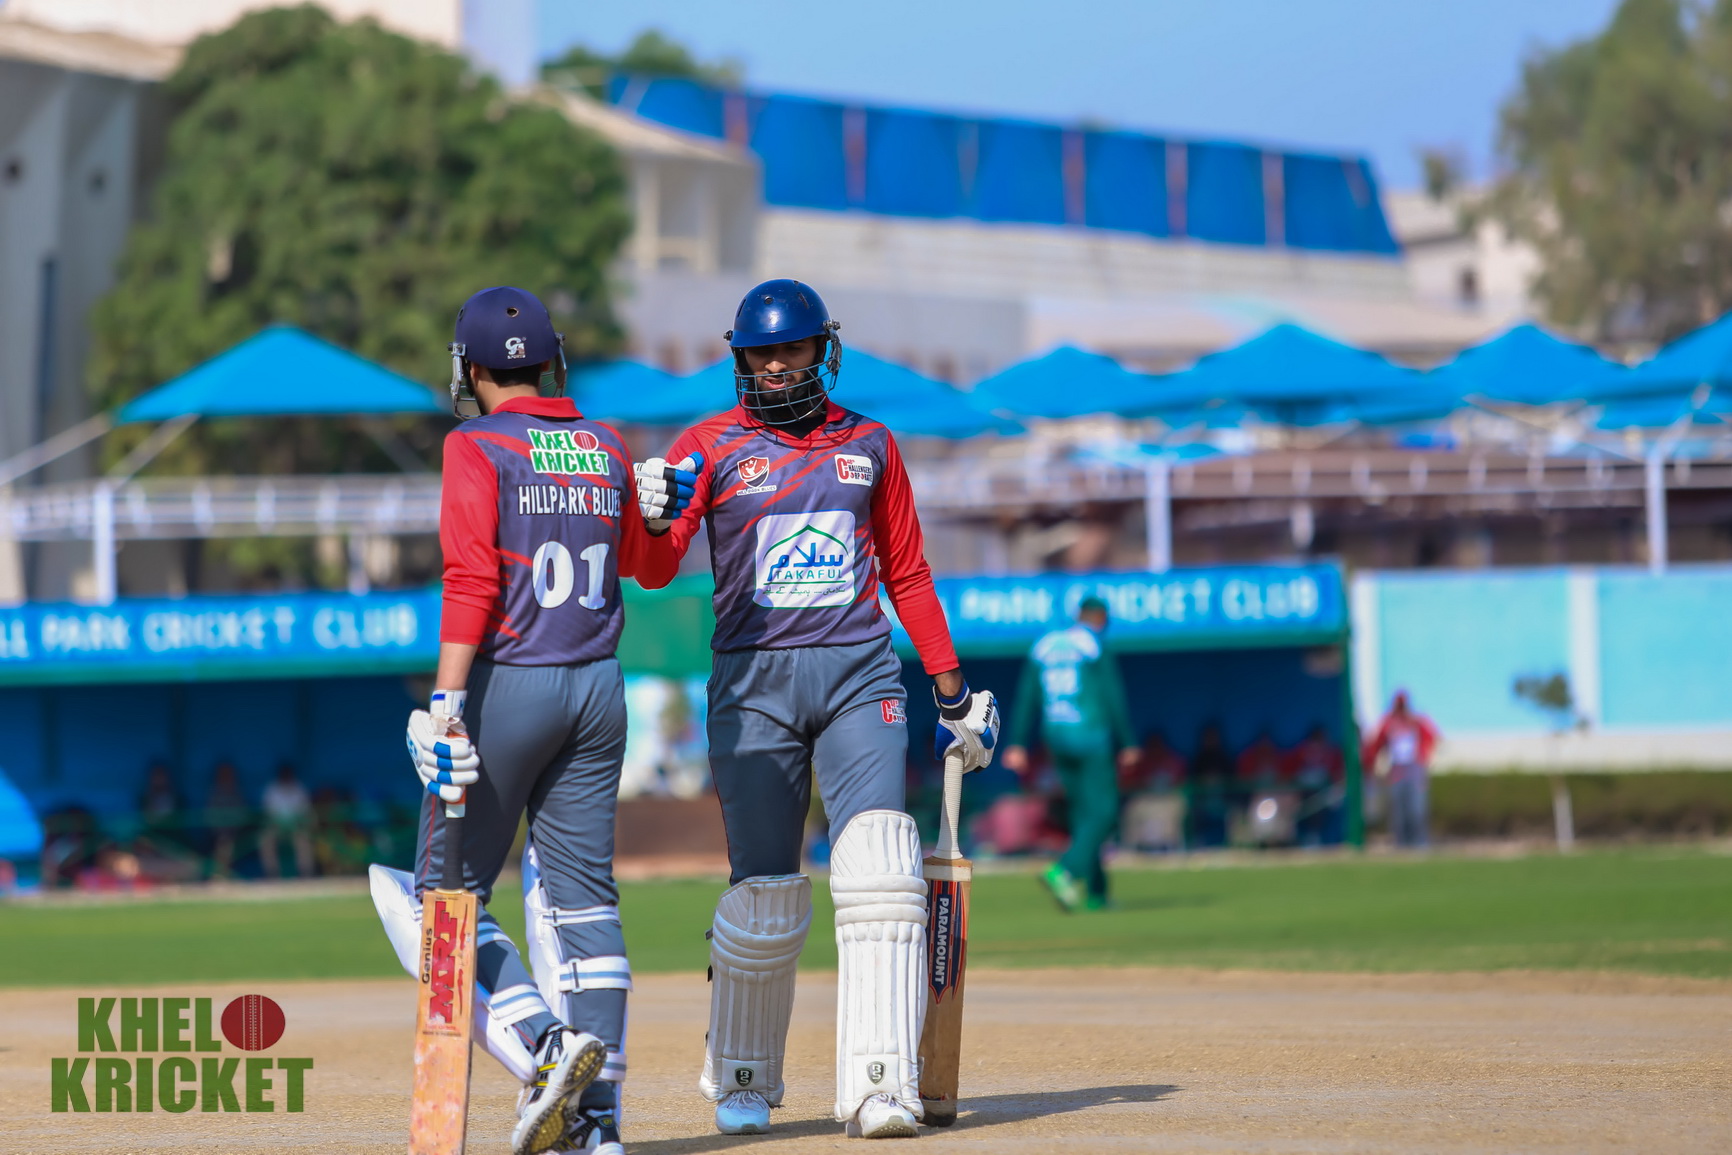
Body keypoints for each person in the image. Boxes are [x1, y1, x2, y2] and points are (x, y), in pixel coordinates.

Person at [629, 279, 999, 1140]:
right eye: (761, 353)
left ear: (823, 351)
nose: (775, 366)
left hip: (858, 676)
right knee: (764, 892)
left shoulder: (871, 444)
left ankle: (881, 1083)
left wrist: (950, 692)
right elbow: (652, 570)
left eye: (791, 349)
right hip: (751, 686)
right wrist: (648, 519)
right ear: (740, 359)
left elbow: (908, 572)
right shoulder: (706, 447)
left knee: (882, 868)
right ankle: (745, 1074)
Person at [376, 286, 684, 1155]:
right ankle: (599, 1123)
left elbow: (471, 578)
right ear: (551, 361)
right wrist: (661, 513)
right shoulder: (605, 444)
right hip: (598, 688)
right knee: (585, 903)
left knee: (439, 900)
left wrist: (445, 702)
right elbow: (653, 568)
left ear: (470, 368)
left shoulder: (474, 445)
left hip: (510, 685)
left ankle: (546, 1046)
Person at [1002, 596, 1139, 911]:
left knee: (1083, 814)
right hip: (1090, 735)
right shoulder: (1093, 645)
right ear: (1100, 617)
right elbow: (1112, 695)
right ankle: (1065, 870)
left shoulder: (1045, 645)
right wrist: (1128, 742)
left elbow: (1026, 696)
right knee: (1104, 811)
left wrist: (1018, 742)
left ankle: (1096, 893)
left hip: (1056, 736)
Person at [1363, 691, 1440, 848]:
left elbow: (1432, 736)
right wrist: (1372, 765)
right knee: (1398, 809)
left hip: (1414, 768)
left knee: (1417, 808)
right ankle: (1401, 844)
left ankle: (1419, 843)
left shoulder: (1416, 721)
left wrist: (1426, 759)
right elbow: (1375, 744)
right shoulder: (1388, 722)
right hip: (1397, 769)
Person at [258, 763, 315, 880]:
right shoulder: (272, 789)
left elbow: (305, 811)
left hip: (296, 827)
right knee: (264, 840)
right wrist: (279, 823)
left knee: (304, 839)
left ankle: (306, 874)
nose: (286, 778)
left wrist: (297, 822)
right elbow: (268, 813)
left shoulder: (298, 788)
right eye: (284, 775)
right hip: (276, 826)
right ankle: (272, 875)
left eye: (288, 775)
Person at [1187, 723, 1233, 848]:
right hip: (1203, 803)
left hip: (1222, 801)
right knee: (1195, 812)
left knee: (1231, 814)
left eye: (1213, 737)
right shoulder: (1199, 760)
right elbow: (1192, 782)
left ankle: (1228, 845)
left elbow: (1232, 782)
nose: (1211, 740)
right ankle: (1198, 845)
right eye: (1208, 737)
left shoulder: (1224, 758)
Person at [203, 761, 250, 879]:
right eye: (223, 774)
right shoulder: (214, 794)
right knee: (223, 842)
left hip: (236, 832)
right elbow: (210, 816)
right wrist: (221, 828)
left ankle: (222, 875)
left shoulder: (237, 794)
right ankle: (220, 875)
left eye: (228, 774)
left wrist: (232, 825)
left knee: (227, 843)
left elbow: (242, 815)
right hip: (218, 833)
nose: (226, 777)